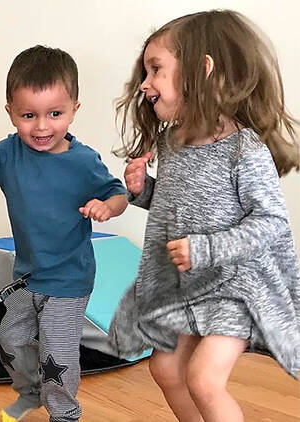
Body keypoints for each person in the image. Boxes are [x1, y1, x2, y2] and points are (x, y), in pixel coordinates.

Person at [107, 9, 300, 422]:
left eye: (156, 69)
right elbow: (177, 210)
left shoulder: (243, 150)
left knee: (204, 379)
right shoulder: (172, 142)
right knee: (165, 368)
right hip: (191, 286)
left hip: (236, 284)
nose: (145, 84)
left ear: (202, 69)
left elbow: (271, 223)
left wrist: (208, 248)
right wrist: (143, 193)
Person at [0, 45, 128, 422]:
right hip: (28, 278)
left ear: (74, 110)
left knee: (57, 353)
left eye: (55, 114)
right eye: (28, 115)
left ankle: (64, 413)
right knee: (9, 339)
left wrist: (106, 207)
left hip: (69, 280)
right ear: (11, 112)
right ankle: (30, 392)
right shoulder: (7, 153)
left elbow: (119, 194)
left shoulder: (82, 162)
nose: (41, 126)